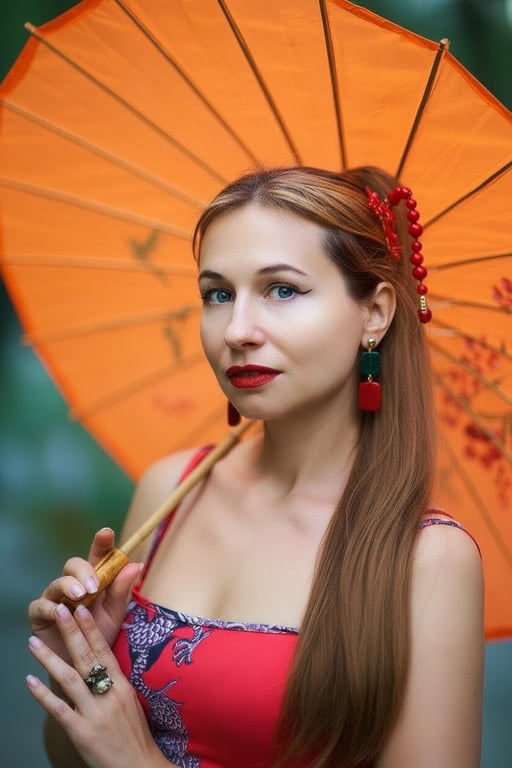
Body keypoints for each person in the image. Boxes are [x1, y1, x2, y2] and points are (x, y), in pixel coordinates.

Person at [26, 166, 484, 768]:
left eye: (282, 290)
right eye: (218, 294)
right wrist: (82, 670)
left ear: (374, 313)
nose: (237, 331)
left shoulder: (426, 559)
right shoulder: (171, 491)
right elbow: (74, 756)